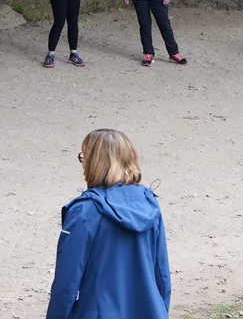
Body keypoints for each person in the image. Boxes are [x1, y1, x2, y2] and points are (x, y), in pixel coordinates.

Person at [46, 129, 171, 319]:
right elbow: (161, 273)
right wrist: (159, 310)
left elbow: (66, 284)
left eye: (84, 158)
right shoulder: (149, 204)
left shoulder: (85, 212)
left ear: (93, 162)